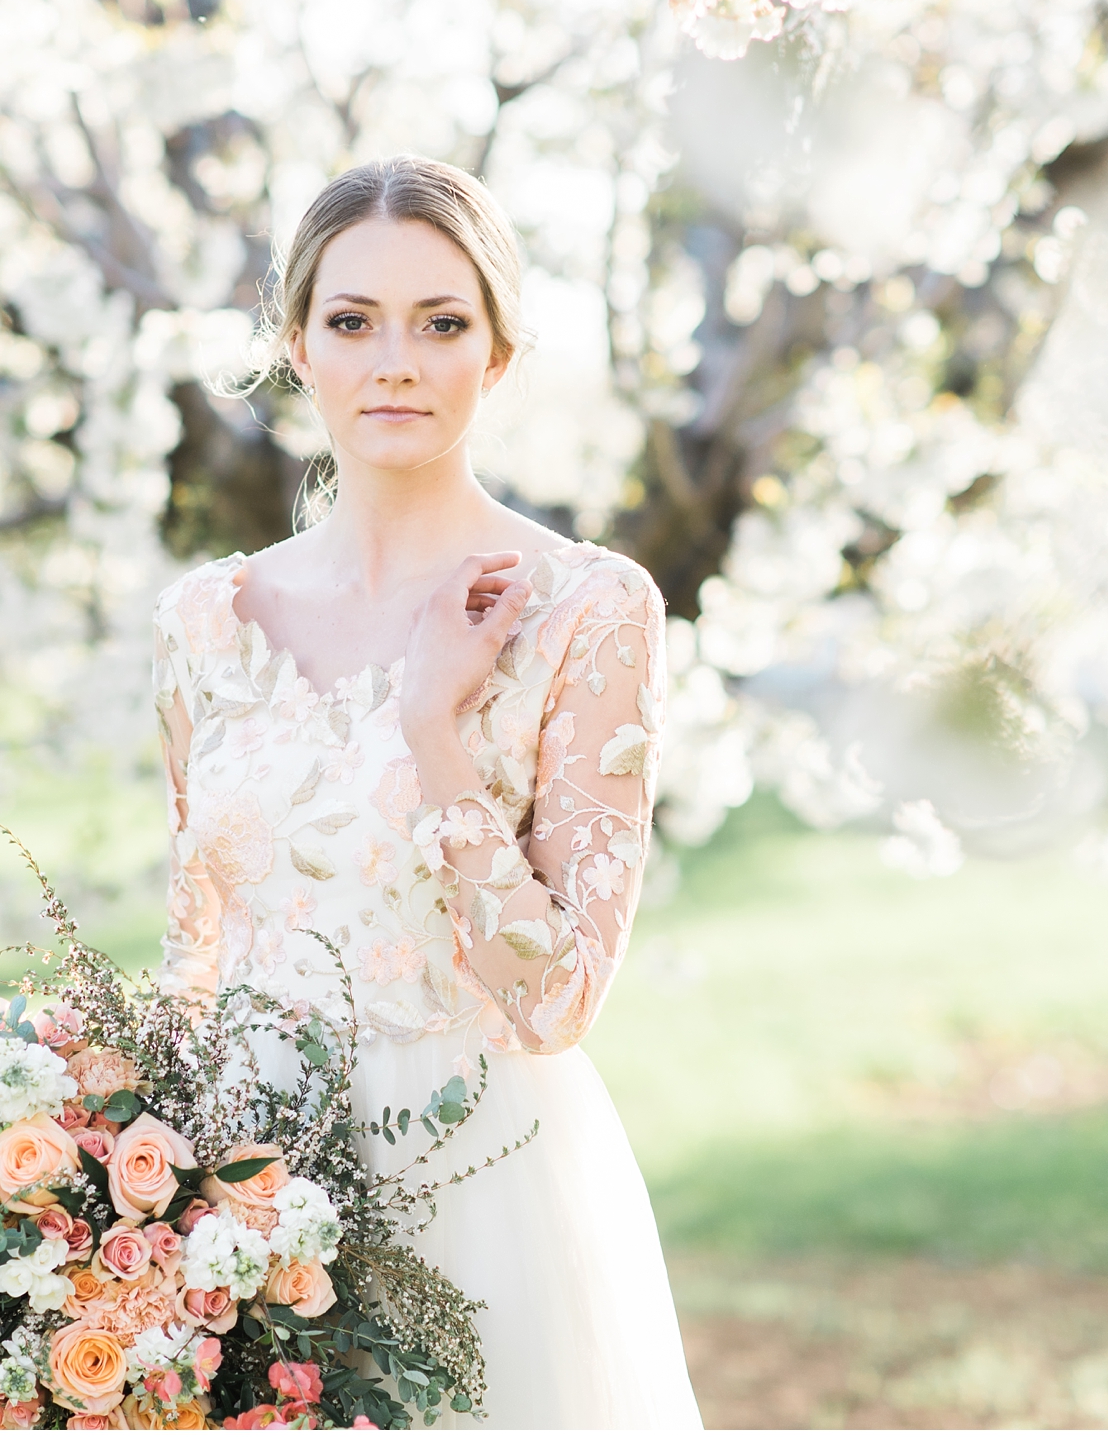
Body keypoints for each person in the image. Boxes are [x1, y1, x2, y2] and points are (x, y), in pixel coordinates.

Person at [150, 155, 703, 1428]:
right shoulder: (204, 620)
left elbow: (556, 999)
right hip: (240, 1207)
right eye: (353, 323)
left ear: (496, 355)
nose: (394, 361)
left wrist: (431, 730)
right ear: (298, 345)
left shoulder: (585, 607)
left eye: (440, 324)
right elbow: (194, 963)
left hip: (479, 1195)